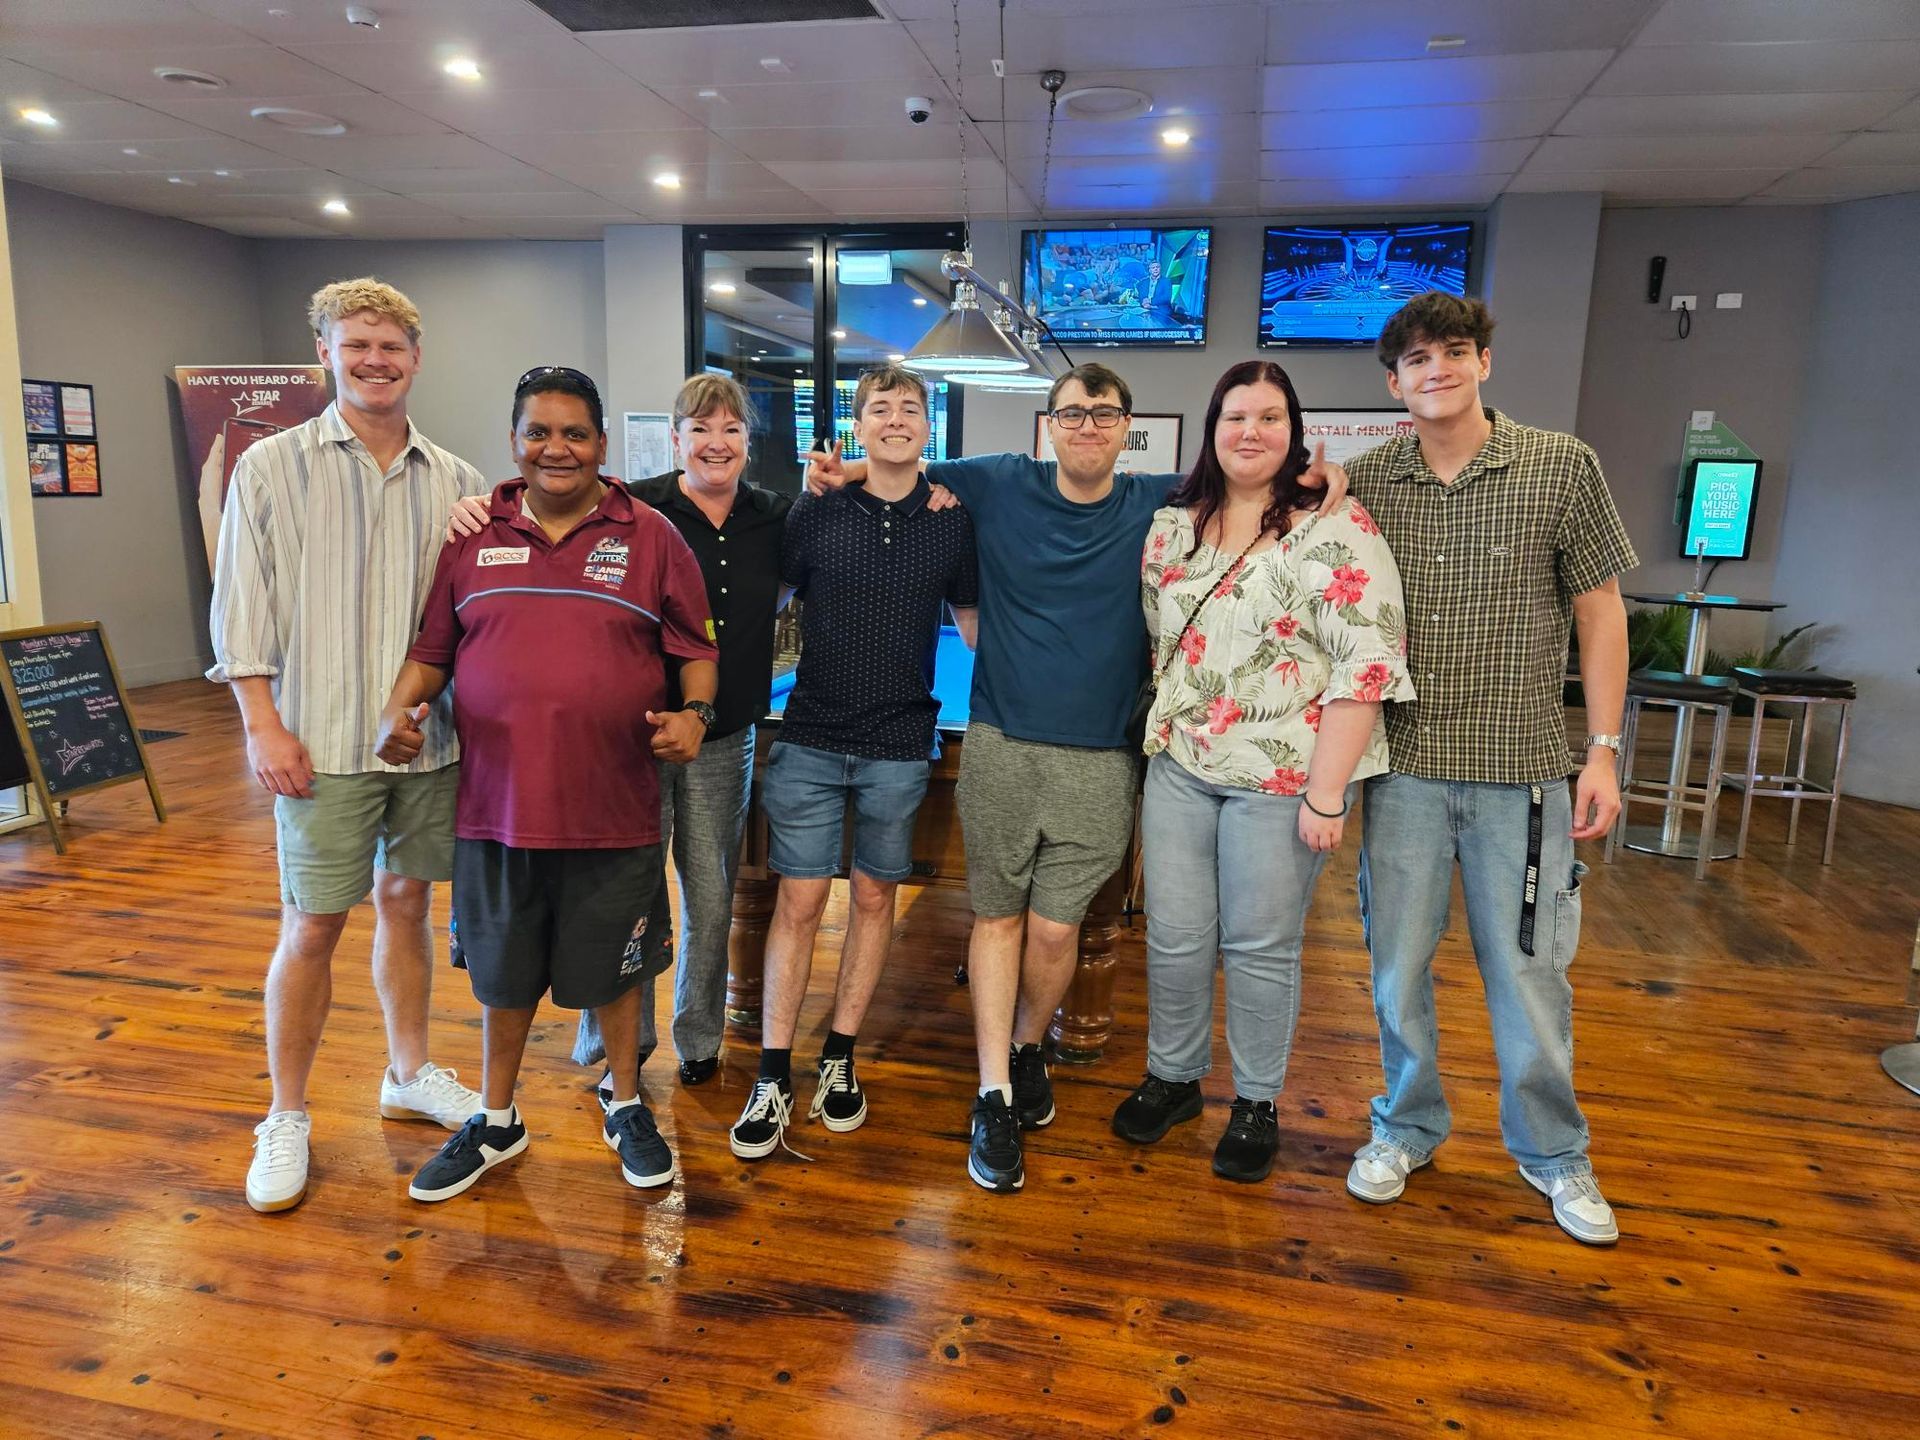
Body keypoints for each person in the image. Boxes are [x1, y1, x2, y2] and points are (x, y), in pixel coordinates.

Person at [809, 363, 1345, 1194]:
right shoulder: (997, 480)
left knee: (1056, 932)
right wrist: (832, 468)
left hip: (1103, 757)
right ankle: (993, 1091)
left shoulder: (1160, 501)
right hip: (999, 745)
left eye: (1103, 414)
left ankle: (1029, 1049)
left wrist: (1323, 471)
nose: (1087, 427)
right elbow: (898, 466)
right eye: (1071, 413)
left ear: (1125, 426)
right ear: (1046, 425)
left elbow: (1255, 465)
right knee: (994, 921)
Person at [377, 366, 718, 1201]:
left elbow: (696, 648)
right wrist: (401, 708)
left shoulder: (651, 536)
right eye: (539, 432)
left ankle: (629, 1104)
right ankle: (497, 1119)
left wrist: (695, 718)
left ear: (601, 445)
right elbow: (432, 651)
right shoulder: (471, 535)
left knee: (619, 971)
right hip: (496, 811)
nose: (556, 448)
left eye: (574, 433)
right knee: (500, 975)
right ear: (515, 441)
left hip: (616, 811)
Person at [1340, 293, 1636, 1246]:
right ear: (1394, 383)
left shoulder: (1561, 465)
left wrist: (1603, 748)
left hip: (1527, 775)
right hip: (1406, 774)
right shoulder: (1369, 482)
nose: (1439, 370)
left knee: (1531, 973)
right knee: (1396, 970)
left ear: (1484, 363)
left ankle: (1554, 1152)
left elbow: (1600, 612)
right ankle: (1406, 1126)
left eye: (1455, 352)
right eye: (1418, 359)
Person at [210, 277, 486, 1214]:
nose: (375, 360)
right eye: (356, 343)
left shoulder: (458, 483)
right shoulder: (271, 467)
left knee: (405, 904)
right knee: (313, 925)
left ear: (417, 359)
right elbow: (242, 608)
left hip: (425, 743)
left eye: (392, 346)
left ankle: (406, 1070)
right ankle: (286, 1113)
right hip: (317, 741)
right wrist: (262, 722)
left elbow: (472, 611)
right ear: (324, 352)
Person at [1116, 361, 1413, 1183]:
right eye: (1236, 415)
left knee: (1258, 948)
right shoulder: (1174, 524)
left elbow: (1368, 664)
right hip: (1181, 763)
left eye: (1270, 417)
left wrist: (1327, 792)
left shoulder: (1336, 526)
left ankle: (1254, 1102)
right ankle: (1173, 1078)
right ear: (1213, 428)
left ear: (1295, 429)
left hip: (1285, 779)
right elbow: (1158, 637)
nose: (1251, 431)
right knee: (1175, 940)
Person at [729, 365, 978, 1160]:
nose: (896, 420)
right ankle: (773, 1072)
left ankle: (839, 1056)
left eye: (911, 409)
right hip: (808, 736)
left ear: (927, 427)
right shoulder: (817, 505)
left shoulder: (951, 517)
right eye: (881, 409)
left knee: (875, 900)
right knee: (797, 905)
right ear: (858, 424)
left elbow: (974, 627)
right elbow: (760, 604)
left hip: (902, 743)